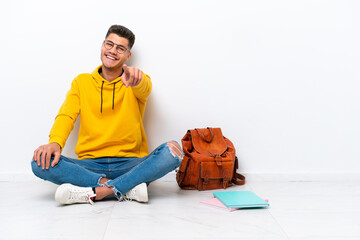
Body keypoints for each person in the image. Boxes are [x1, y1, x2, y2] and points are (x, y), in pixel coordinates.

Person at [31, 25, 183, 205]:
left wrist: (138, 79)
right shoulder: (82, 82)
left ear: (128, 56)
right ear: (102, 46)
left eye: (120, 48)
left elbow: (144, 87)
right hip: (90, 166)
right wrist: (55, 143)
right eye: (109, 44)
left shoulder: (135, 81)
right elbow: (66, 115)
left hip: (130, 164)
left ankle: (98, 192)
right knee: (39, 162)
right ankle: (124, 188)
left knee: (173, 151)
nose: (112, 51)